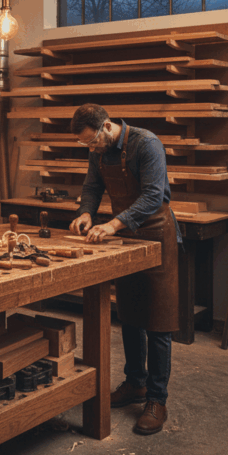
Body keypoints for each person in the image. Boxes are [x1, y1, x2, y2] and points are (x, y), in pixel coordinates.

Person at [68, 103, 180, 435]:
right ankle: (136, 383)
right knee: (130, 314)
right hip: (126, 235)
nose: (90, 149)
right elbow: (92, 187)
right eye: (86, 145)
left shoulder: (147, 144)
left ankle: (157, 400)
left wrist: (114, 224)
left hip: (156, 234)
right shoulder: (97, 151)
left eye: (92, 142)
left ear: (106, 127)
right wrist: (87, 212)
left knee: (159, 321)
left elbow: (151, 196)